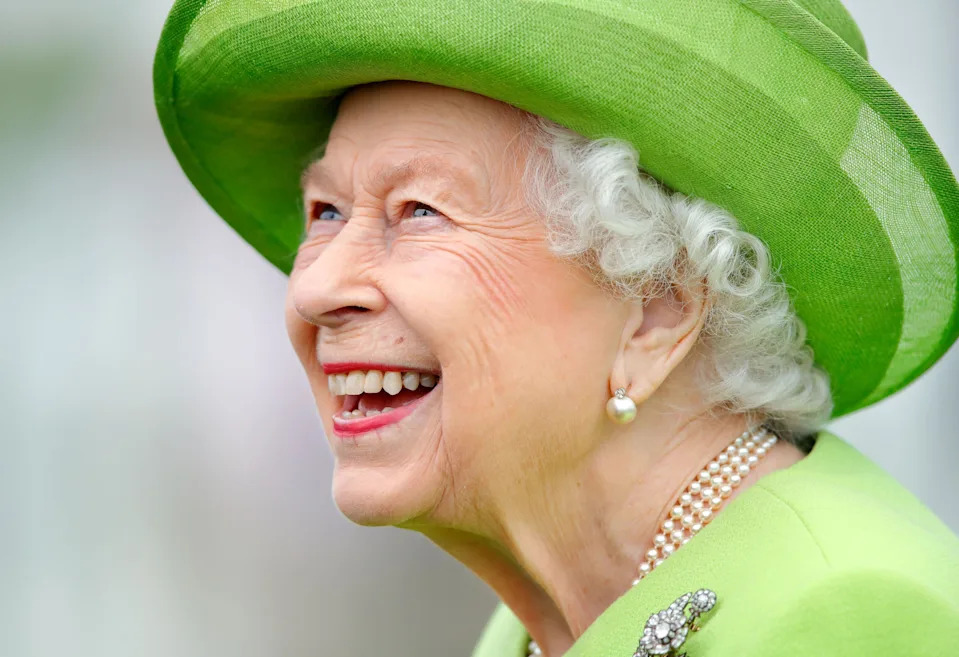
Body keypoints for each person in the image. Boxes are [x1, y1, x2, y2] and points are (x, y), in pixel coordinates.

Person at [154, 1, 959, 655]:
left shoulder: (844, 615)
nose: (315, 286)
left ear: (654, 309)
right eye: (326, 211)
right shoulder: (537, 626)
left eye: (419, 211)